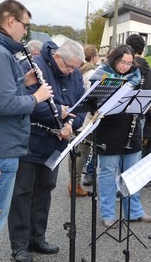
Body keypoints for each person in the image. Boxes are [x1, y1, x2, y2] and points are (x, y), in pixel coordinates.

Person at [0, 0, 53, 262]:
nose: (26, 32)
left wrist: (23, 81)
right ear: (11, 20)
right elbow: (3, 103)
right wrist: (37, 97)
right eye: (25, 25)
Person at [7, 40, 86, 262]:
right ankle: (20, 245)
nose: (72, 72)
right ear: (58, 57)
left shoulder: (75, 72)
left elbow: (81, 104)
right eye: (69, 67)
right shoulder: (33, 65)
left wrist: (72, 124)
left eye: (75, 69)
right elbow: (25, 101)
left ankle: (37, 237)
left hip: (56, 143)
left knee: (45, 190)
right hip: (30, 141)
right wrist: (58, 115)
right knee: (22, 193)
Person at [90, 44, 151, 228]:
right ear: (114, 59)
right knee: (108, 174)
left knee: (132, 174)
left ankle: (134, 211)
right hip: (108, 131)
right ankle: (108, 213)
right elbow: (93, 105)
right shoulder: (100, 75)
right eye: (122, 62)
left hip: (130, 131)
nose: (126, 67)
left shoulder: (136, 76)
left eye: (129, 63)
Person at [67, 44, 100, 195]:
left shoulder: (78, 71)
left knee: (75, 149)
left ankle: (73, 182)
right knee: (83, 149)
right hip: (86, 118)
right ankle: (75, 184)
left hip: (76, 116)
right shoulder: (92, 72)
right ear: (93, 57)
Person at [126, 34, 151, 161]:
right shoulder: (149, 69)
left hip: (127, 112)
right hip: (143, 112)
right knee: (137, 150)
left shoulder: (128, 67)